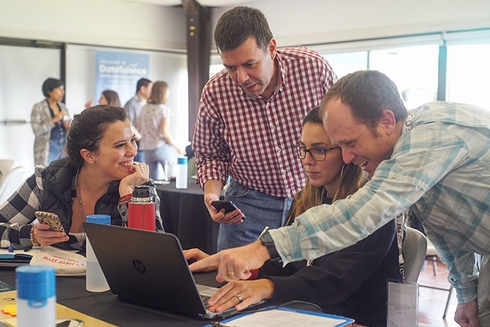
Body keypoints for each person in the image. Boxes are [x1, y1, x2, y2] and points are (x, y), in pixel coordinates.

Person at [191, 70, 490, 327]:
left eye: (349, 143)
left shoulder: (431, 139)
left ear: (386, 121)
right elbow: (448, 227)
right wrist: (466, 292)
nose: (347, 156)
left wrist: (264, 248)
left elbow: (362, 213)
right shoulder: (408, 160)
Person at [186, 107, 400, 326]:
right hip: (308, 313)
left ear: (346, 152)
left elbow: (333, 282)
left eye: (319, 150)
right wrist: (236, 265)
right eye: (303, 149)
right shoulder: (304, 200)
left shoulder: (371, 210)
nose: (307, 160)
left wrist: (267, 287)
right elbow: (291, 266)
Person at [192, 6, 337, 250]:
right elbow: (210, 156)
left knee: (308, 280)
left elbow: (341, 132)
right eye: (230, 67)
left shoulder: (313, 69)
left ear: (271, 48)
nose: (241, 78)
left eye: (250, 64)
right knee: (235, 283)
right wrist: (212, 196)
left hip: (314, 197)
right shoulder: (215, 92)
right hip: (247, 205)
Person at [0, 105, 163, 251]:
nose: (133, 151)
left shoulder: (141, 185)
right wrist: (31, 234)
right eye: (120, 145)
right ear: (88, 155)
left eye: (132, 140)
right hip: (54, 280)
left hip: (110, 284)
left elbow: (150, 250)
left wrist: (128, 195)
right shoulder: (47, 179)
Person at [138, 81, 185, 180]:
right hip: (161, 148)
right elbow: (165, 133)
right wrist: (178, 148)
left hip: (147, 150)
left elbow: (139, 126)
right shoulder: (164, 110)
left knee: (152, 182)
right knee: (172, 179)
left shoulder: (144, 109)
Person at [31, 78, 70, 166]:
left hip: (63, 146)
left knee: (63, 174)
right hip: (47, 147)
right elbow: (36, 130)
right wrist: (54, 120)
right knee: (46, 175)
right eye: (59, 89)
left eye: (63, 90)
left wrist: (68, 127)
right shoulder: (38, 107)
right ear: (49, 91)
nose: (62, 92)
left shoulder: (63, 107)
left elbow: (68, 127)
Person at [124, 78, 153, 163]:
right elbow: (128, 124)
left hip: (147, 145)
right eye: (151, 89)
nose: (153, 92)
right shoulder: (131, 104)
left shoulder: (148, 104)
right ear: (143, 89)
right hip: (138, 144)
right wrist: (139, 138)